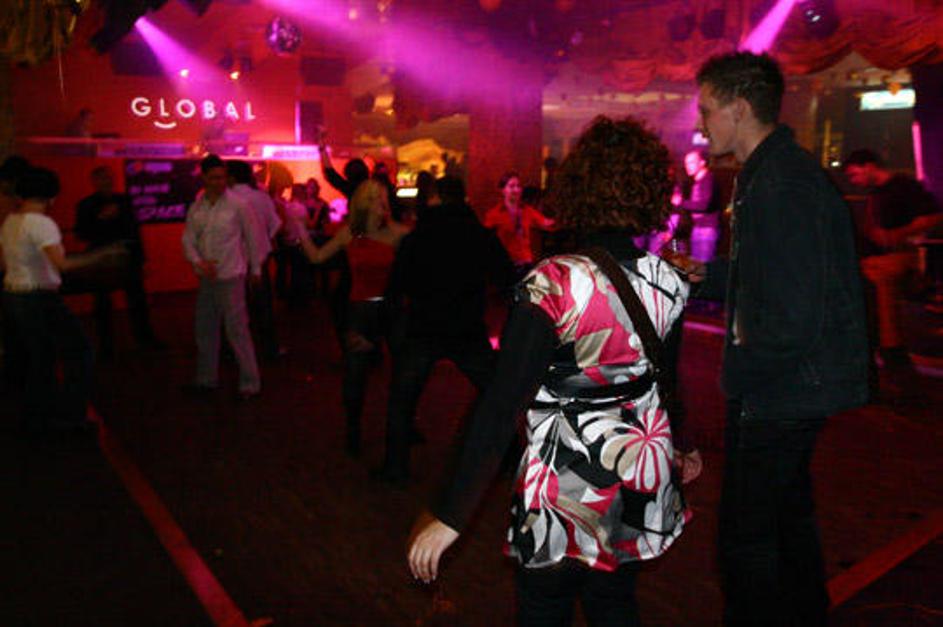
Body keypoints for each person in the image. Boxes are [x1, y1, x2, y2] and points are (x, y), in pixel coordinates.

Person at [407, 115, 701, 626]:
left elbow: (502, 403)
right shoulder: (669, 279)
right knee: (615, 604)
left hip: (566, 486)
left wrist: (453, 515)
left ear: (579, 186)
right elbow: (666, 380)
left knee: (545, 607)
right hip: (638, 475)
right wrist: (683, 445)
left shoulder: (553, 283)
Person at [678, 52, 868, 626]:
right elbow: (773, 279)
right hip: (791, 387)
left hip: (783, 391)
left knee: (747, 540)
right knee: (787, 524)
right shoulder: (770, 173)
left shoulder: (780, 183)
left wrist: (744, 381)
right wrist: (707, 275)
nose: (701, 124)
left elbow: (793, 315)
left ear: (739, 108)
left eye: (707, 110)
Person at [373, 176, 515, 484]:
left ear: (436, 197)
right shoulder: (479, 235)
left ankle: (396, 467)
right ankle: (511, 457)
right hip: (466, 327)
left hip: (423, 327)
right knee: (495, 393)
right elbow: (506, 278)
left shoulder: (417, 238)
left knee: (402, 399)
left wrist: (389, 325)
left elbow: (396, 287)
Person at [292, 179, 410, 455]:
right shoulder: (350, 233)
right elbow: (317, 257)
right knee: (355, 373)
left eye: (384, 198)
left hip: (392, 310)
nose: (382, 203)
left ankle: (403, 427)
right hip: (361, 310)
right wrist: (300, 232)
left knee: (404, 371)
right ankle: (353, 429)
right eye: (376, 198)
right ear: (362, 203)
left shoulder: (399, 233)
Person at [1, 166, 120, 436]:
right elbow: (62, 265)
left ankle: (38, 418)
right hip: (39, 296)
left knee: (40, 357)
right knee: (79, 352)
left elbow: (4, 263)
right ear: (52, 196)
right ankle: (71, 415)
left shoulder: (11, 221)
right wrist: (103, 255)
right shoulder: (42, 223)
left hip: (14, 294)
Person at [842, 149, 943, 373]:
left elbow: (933, 217)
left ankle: (891, 349)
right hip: (882, 256)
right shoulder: (876, 194)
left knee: (878, 278)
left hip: (903, 254)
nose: (853, 181)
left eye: (854, 174)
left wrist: (895, 235)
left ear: (869, 166)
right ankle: (881, 347)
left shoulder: (903, 186)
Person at [181, 154, 262, 399]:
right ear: (204, 178)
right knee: (205, 328)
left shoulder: (238, 205)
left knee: (237, 330)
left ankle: (250, 383)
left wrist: (256, 270)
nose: (220, 182)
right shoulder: (198, 206)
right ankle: (206, 379)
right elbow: (188, 239)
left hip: (231, 275)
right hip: (207, 277)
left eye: (223, 177)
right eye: (214, 178)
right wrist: (198, 262)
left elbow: (253, 238)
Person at [75, 166, 163, 358]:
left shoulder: (124, 201)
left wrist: (142, 260)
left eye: (109, 178)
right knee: (102, 303)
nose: (106, 182)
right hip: (101, 260)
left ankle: (144, 338)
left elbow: (134, 231)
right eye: (102, 179)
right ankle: (106, 346)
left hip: (126, 257)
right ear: (94, 182)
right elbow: (81, 233)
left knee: (137, 299)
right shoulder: (86, 205)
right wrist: (101, 218)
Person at [227, 159, 284, 360]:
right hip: (259, 259)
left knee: (234, 307)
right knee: (263, 306)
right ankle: (269, 348)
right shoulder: (261, 197)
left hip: (232, 260)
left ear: (231, 177)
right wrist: (263, 238)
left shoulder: (225, 198)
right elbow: (276, 224)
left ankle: (233, 351)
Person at [482, 172, 554, 269]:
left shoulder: (527, 210)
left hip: (526, 263)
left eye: (518, 186)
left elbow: (546, 223)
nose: (516, 189)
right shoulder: (494, 214)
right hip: (505, 265)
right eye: (512, 186)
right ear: (503, 190)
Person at [676, 149, 721, 262]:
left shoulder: (707, 179)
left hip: (706, 230)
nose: (688, 166)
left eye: (692, 162)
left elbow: (704, 205)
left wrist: (681, 202)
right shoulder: (697, 181)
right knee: (696, 265)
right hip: (699, 228)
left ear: (702, 162)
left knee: (702, 266)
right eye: (686, 163)